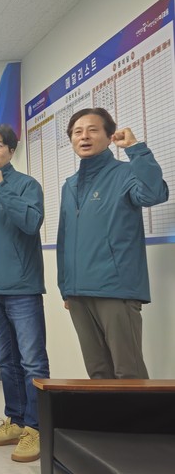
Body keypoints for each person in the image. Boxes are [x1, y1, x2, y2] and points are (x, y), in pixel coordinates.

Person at [57, 107, 168, 379]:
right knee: (98, 373)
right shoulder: (70, 185)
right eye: (77, 132)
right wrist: (65, 287)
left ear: (109, 137)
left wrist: (136, 149)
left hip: (116, 289)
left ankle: (140, 413)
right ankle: (105, 414)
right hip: (78, 293)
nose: (84, 136)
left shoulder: (125, 173)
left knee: (128, 372)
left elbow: (154, 194)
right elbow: (64, 238)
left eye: (92, 130)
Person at [0, 124, 50, 463]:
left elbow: (30, 224)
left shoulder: (27, 185)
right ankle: (15, 420)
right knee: (6, 360)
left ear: (11, 151)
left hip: (22, 287)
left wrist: (1, 186)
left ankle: (37, 427)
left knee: (32, 360)